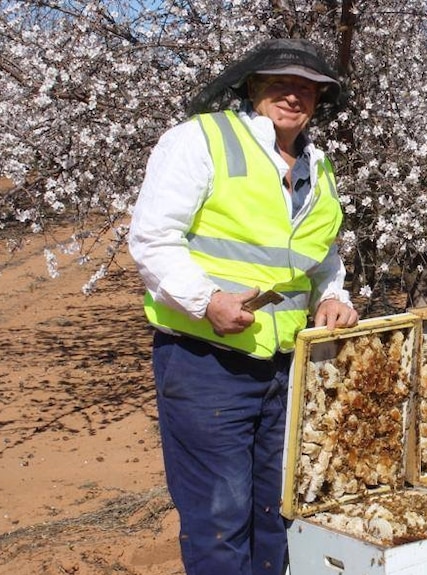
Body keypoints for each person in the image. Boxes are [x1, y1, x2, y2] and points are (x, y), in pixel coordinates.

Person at [128, 38, 358, 575]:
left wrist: (333, 299)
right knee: (218, 518)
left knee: (280, 513)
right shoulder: (202, 139)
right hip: (208, 364)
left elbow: (323, 259)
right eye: (281, 82)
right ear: (252, 86)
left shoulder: (318, 168)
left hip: (287, 371)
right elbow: (154, 238)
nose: (294, 95)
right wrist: (205, 301)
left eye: (307, 87)